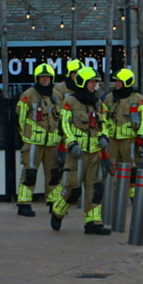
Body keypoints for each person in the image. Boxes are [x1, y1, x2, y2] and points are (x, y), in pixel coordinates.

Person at [50, 67, 112, 235]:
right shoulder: (70, 101)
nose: (95, 86)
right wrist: (71, 144)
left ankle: (93, 223)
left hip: (95, 153)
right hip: (77, 153)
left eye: (96, 82)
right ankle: (58, 211)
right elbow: (64, 124)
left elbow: (105, 123)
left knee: (96, 188)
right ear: (83, 83)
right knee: (73, 189)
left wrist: (105, 136)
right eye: (92, 82)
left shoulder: (98, 103)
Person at [15, 63, 63, 217]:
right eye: (42, 77)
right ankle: (24, 204)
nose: (45, 80)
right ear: (37, 78)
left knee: (54, 174)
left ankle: (53, 203)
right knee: (30, 174)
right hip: (33, 143)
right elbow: (19, 118)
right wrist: (25, 137)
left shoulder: (57, 95)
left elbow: (62, 119)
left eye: (47, 77)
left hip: (52, 143)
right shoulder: (28, 95)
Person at [103, 68, 143, 199]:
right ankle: (109, 193)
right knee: (110, 165)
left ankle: (133, 193)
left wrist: (141, 136)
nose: (116, 83)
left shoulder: (137, 99)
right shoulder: (109, 98)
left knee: (132, 165)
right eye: (116, 81)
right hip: (112, 138)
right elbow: (103, 117)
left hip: (130, 139)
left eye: (119, 81)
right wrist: (104, 133)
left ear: (126, 82)